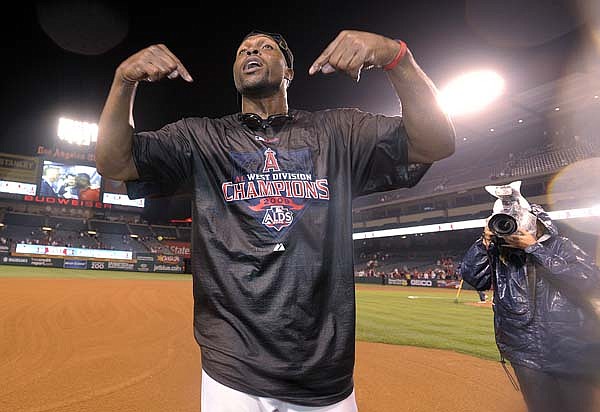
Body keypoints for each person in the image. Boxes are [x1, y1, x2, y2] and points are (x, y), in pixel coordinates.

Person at [96, 29, 455, 411]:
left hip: (324, 371)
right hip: (232, 367)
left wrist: (397, 58)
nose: (251, 51)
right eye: (242, 50)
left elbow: (435, 142)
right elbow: (114, 162)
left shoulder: (339, 131)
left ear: (289, 71)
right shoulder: (200, 138)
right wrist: (124, 81)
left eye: (265, 47)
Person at [461, 203, 600, 412]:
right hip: (524, 353)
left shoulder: (561, 245)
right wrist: (485, 241)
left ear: (537, 222)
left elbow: (587, 281)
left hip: (570, 351)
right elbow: (475, 278)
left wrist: (534, 248)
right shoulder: (501, 253)